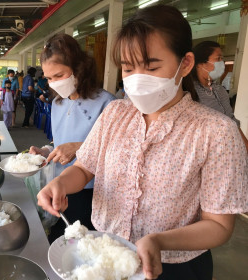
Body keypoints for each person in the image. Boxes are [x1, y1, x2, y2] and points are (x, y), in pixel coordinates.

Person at [36, 5, 247, 280]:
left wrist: (160, 241)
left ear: (185, 63)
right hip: (106, 254)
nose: (137, 79)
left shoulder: (216, 132)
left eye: (151, 66)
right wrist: (60, 184)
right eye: (128, 68)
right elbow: (85, 168)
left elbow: (219, 225)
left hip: (175, 268)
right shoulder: (115, 113)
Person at [29, 33, 116, 243]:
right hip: (59, 184)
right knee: (58, 239)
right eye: (49, 78)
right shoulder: (58, 103)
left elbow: (118, 150)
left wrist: (80, 147)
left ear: (78, 69)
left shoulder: (107, 104)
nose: (53, 84)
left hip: (92, 191)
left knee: (81, 244)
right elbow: (60, 142)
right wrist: (47, 152)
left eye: (59, 76)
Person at [192, 41, 248, 151]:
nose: (222, 63)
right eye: (218, 59)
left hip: (230, 148)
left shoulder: (220, 90)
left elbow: (232, 120)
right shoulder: (190, 92)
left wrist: (245, 144)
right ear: (200, 64)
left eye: (222, 59)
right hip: (207, 150)